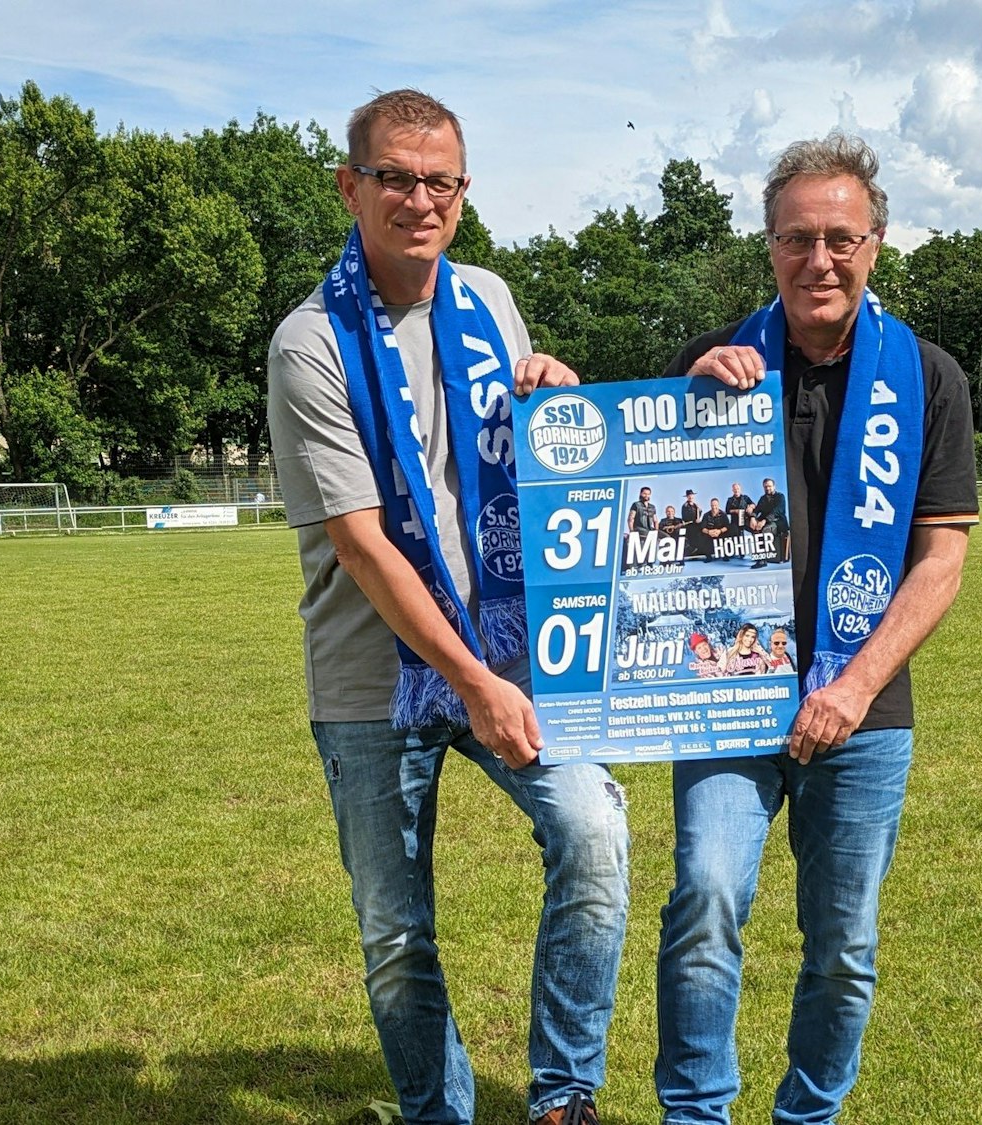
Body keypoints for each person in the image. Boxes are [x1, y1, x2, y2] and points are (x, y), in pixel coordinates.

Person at [264, 88, 627, 1125]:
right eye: (394, 177)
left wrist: (557, 397)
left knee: (592, 833)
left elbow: (524, 461)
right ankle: (439, 1113)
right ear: (351, 186)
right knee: (394, 933)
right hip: (372, 677)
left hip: (509, 655)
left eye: (440, 181)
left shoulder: (491, 299)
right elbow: (363, 544)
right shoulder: (310, 344)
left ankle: (560, 1100)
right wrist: (470, 684)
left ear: (461, 194)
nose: (417, 199)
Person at [652, 133, 979, 1125]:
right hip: (723, 697)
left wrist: (849, 688)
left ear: (875, 245)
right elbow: (645, 533)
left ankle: (807, 1116)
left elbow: (941, 559)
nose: (818, 260)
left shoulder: (926, 378)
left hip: (861, 712)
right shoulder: (711, 368)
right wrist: (681, 409)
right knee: (703, 904)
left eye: (839, 238)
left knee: (842, 946)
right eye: (797, 239)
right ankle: (694, 1116)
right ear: (769, 249)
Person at [748, 477, 787, 568]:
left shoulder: (780, 496)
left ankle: (762, 561)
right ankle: (758, 555)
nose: (767, 488)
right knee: (751, 527)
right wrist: (753, 518)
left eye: (769, 486)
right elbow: (757, 509)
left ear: (774, 486)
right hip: (765, 521)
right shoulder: (763, 498)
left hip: (778, 522)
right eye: (765, 487)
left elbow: (777, 511)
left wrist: (764, 521)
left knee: (764, 530)